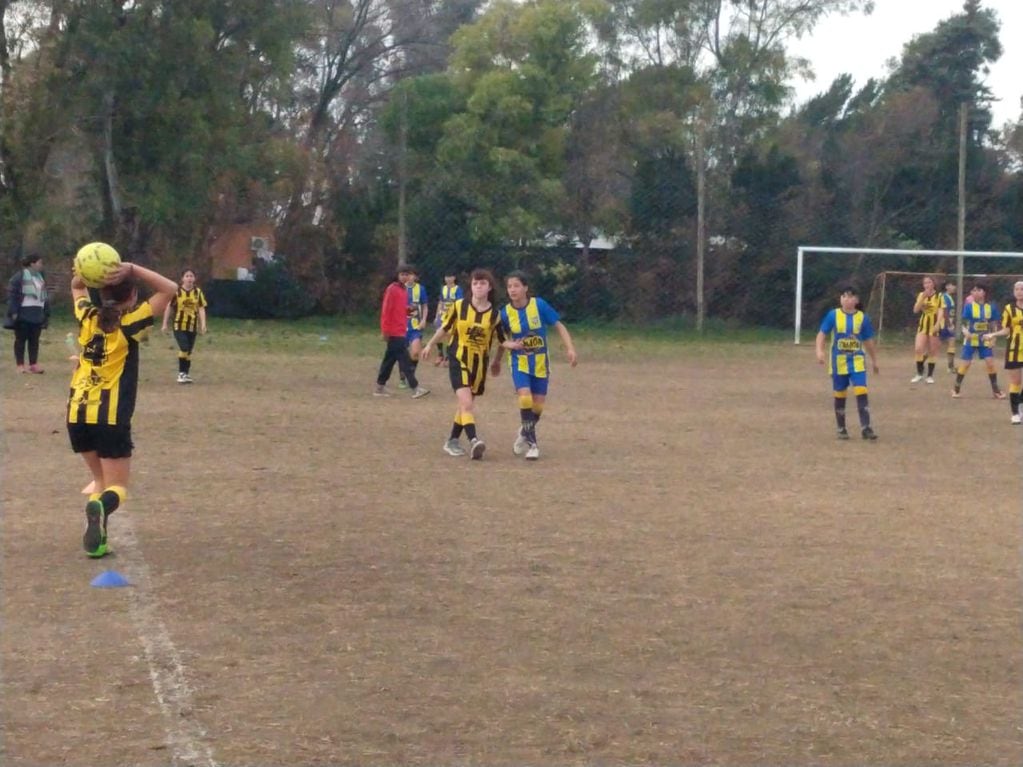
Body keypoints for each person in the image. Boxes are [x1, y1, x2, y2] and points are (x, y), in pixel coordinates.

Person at [67, 251, 178, 557]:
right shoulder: (131, 322)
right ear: (131, 295)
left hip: (77, 413)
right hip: (110, 417)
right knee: (117, 489)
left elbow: (77, 287)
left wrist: (85, 273)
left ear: (100, 292)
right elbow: (171, 290)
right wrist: (130, 267)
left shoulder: (87, 316)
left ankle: (98, 540)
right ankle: (99, 508)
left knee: (100, 479)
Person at [421, 268, 514, 459]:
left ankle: (452, 441)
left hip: (479, 364)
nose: (478, 286)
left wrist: (513, 345)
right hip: (458, 359)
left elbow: (501, 339)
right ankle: (474, 441)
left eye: (482, 283)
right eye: (475, 283)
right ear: (471, 287)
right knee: (466, 402)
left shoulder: (495, 315)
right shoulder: (459, 306)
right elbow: (445, 329)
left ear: (489, 287)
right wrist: (430, 344)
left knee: (466, 406)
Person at [498, 271, 578, 460]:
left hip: (541, 363)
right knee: (525, 398)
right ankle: (533, 444)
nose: (512, 290)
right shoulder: (505, 313)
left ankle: (524, 432)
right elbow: (500, 338)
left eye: (516, 285)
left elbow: (559, 325)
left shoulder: (539, 305)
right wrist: (503, 352)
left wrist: (570, 349)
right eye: (509, 286)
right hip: (519, 362)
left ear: (525, 288)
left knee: (537, 408)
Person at [815, 286, 880, 440]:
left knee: (861, 390)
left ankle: (866, 428)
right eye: (844, 296)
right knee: (840, 394)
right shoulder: (833, 315)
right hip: (839, 363)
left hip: (857, 361)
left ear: (856, 300)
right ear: (840, 299)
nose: (846, 299)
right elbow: (821, 334)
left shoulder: (862, 318)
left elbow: (868, 341)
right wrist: (819, 351)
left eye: (850, 296)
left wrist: (874, 360)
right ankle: (841, 428)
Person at [374, 269, 429, 399]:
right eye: (403, 274)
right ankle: (415, 387)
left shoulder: (403, 291)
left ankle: (379, 387)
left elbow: (401, 310)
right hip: (394, 331)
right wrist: (385, 331)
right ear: (397, 275)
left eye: (407, 275)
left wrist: (411, 314)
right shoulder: (392, 289)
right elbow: (386, 310)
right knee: (405, 360)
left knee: (389, 360)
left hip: (401, 330)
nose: (405, 277)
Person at [951, 282, 1005, 400]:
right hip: (971, 339)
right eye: (973, 290)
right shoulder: (969, 306)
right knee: (966, 363)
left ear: (984, 292)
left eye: (978, 290)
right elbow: (964, 322)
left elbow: (993, 323)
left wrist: (993, 337)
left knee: (990, 363)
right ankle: (956, 387)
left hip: (985, 339)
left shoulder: (991, 306)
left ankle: (996, 390)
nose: (975, 293)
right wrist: (965, 331)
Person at [979, 280, 1023, 422]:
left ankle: (1020, 403)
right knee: (1016, 381)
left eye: (1022, 289)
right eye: (1017, 289)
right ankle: (1015, 413)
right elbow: (1006, 329)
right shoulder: (1009, 309)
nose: (1019, 291)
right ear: (1013, 291)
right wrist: (993, 334)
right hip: (1014, 349)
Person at [161, 268, 208, 383]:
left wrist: (203, 324)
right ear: (182, 279)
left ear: (194, 278)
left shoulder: (198, 292)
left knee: (188, 351)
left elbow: (201, 308)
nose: (189, 278)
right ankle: (181, 373)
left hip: (192, 326)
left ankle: (185, 374)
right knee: (184, 347)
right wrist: (164, 323)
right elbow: (169, 307)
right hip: (179, 325)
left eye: (191, 276)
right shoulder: (177, 293)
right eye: (187, 276)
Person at [5, 254, 50, 373]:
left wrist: (46, 312)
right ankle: (20, 365)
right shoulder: (19, 277)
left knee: (34, 340)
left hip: (37, 312)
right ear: (32, 263)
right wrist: (13, 311)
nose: (41, 265)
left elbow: (45, 297)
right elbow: (12, 295)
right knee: (20, 339)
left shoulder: (40, 278)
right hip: (24, 311)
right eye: (40, 263)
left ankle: (33, 364)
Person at [398, 264, 428, 389]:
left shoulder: (420, 289)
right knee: (402, 353)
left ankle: (411, 374)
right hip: (401, 327)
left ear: (416, 277)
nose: (409, 277)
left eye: (411, 274)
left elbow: (425, 306)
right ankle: (402, 377)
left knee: (415, 353)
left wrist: (424, 320)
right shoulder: (400, 289)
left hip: (415, 327)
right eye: (407, 274)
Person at [910, 275, 941, 384]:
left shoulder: (939, 296)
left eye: (929, 282)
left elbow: (941, 311)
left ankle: (930, 376)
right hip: (923, 325)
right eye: (925, 283)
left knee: (932, 350)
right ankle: (919, 373)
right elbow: (915, 310)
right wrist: (922, 298)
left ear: (933, 283)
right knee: (918, 348)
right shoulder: (921, 295)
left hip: (935, 324)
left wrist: (938, 323)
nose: (927, 285)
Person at [433, 271, 463, 366]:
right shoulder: (443, 289)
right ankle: (440, 354)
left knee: (450, 335)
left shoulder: (458, 289)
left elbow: (459, 303)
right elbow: (441, 302)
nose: (448, 279)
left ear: (454, 278)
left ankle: (448, 357)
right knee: (439, 333)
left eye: (450, 276)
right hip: (442, 315)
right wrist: (437, 315)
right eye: (446, 276)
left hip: (452, 316)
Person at [937, 279, 957, 373]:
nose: (954, 287)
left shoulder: (947, 296)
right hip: (944, 324)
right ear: (947, 287)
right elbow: (944, 311)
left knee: (950, 342)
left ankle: (951, 366)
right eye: (952, 285)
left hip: (945, 323)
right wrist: (949, 324)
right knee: (949, 342)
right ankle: (950, 367)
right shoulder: (945, 297)